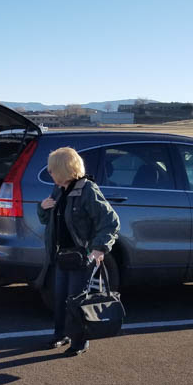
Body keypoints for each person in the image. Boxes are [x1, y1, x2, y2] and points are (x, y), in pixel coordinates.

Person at [38, 147, 119, 356]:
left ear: (64, 168)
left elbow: (110, 222)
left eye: (52, 169)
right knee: (60, 298)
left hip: (81, 257)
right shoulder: (59, 189)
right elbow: (47, 220)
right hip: (60, 255)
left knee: (76, 300)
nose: (50, 172)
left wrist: (100, 249)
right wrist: (43, 208)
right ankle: (60, 334)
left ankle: (79, 341)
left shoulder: (87, 190)